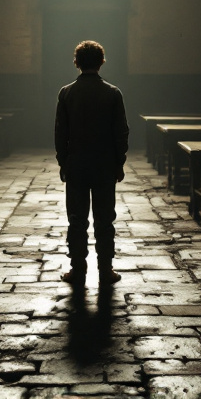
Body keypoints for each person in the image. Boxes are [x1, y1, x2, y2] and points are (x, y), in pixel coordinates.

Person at [55, 40, 129, 286]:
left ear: (76, 62)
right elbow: (121, 132)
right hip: (105, 165)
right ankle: (106, 270)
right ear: (101, 62)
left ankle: (78, 269)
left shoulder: (66, 92)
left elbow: (60, 133)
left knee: (77, 219)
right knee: (105, 219)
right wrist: (120, 162)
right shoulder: (112, 92)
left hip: (77, 164)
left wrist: (63, 163)